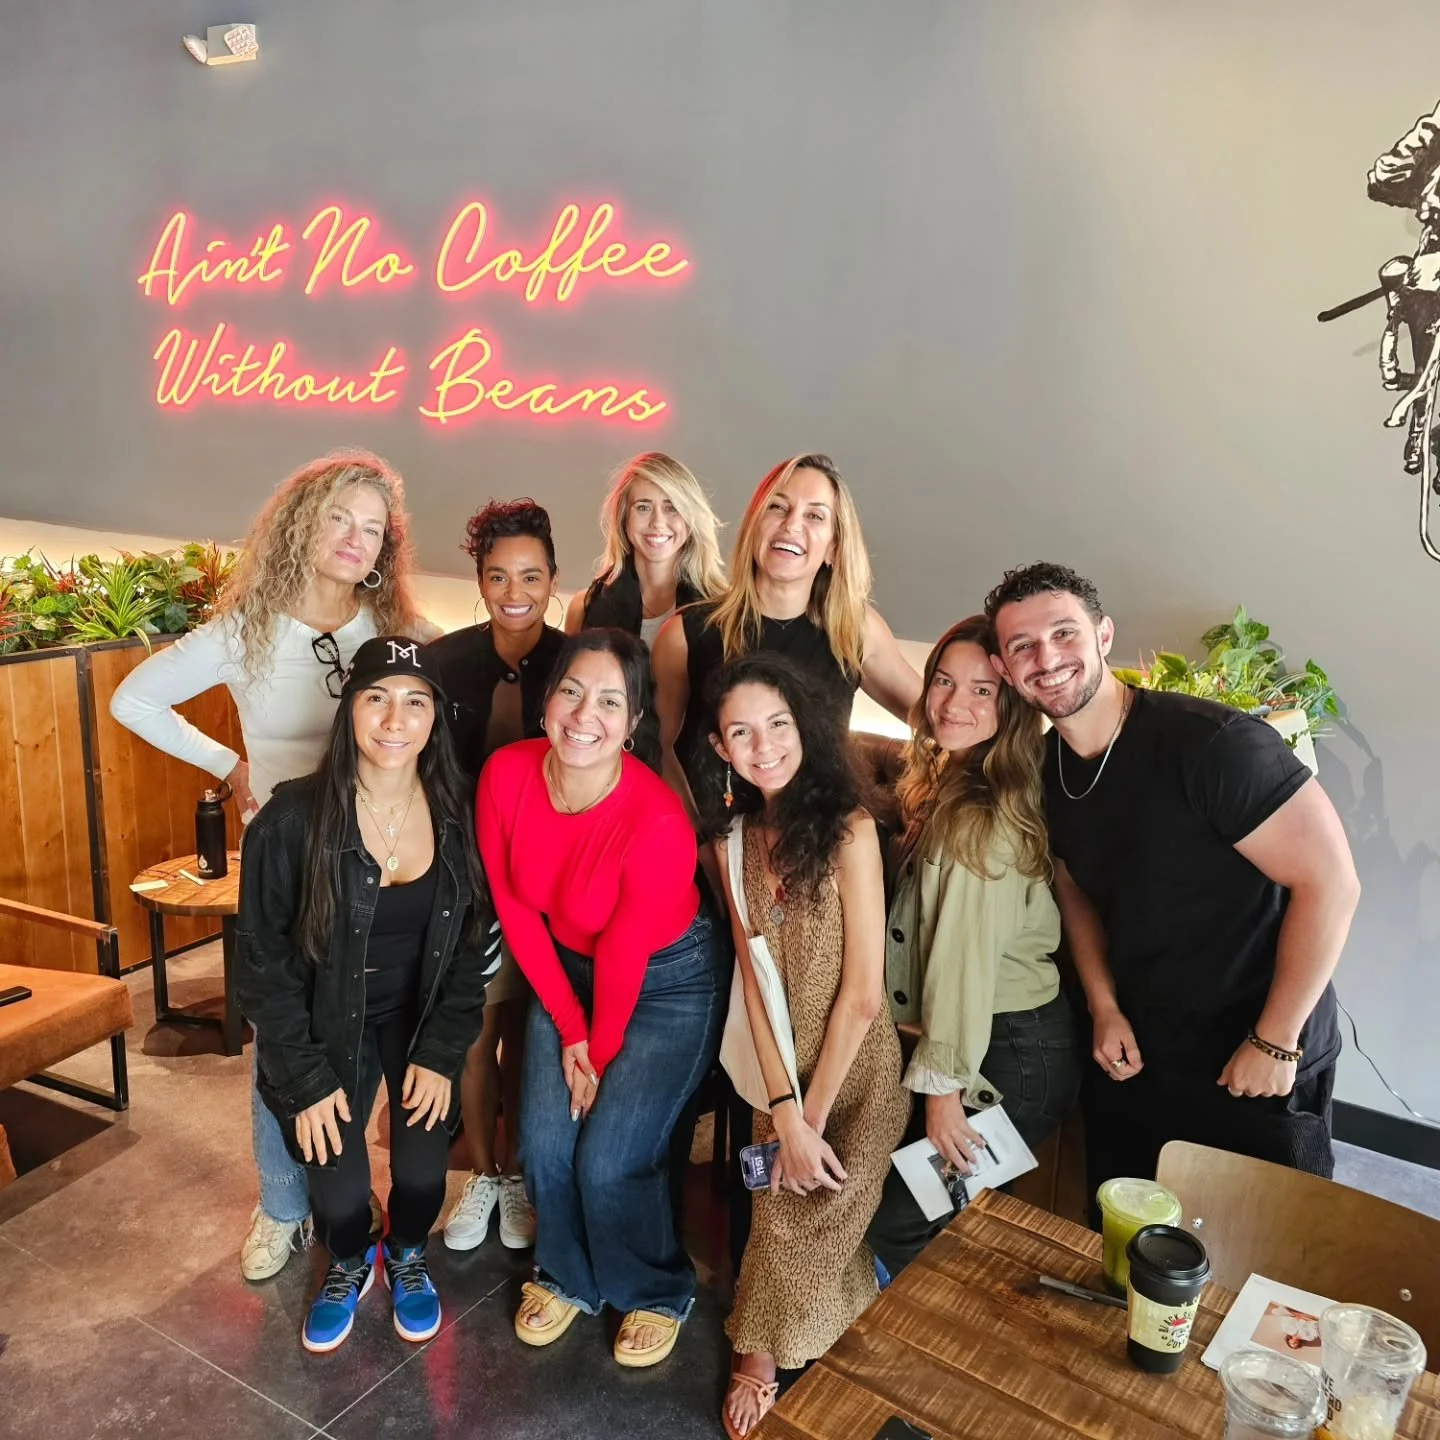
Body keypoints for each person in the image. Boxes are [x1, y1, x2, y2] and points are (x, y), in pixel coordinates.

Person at [109, 449, 432, 1281]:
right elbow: (132, 700)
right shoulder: (245, 628)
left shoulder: (385, 626)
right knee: (283, 1034)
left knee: (366, 1023)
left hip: (381, 855)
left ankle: (365, 1196)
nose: (356, 540)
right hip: (287, 862)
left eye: (372, 528)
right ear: (302, 521)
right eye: (340, 519)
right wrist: (228, 764)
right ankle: (282, 1205)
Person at [984, 563, 1361, 1207]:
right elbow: (1075, 890)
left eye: (1063, 633)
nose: (1046, 658)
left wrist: (1275, 1038)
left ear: (1103, 636)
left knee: (1254, 1255)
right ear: (1004, 667)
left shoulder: (1212, 746)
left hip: (1255, 1053)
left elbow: (1330, 883)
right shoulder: (1045, 772)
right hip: (1141, 1051)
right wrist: (1104, 1008)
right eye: (1023, 646)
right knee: (1125, 1240)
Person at [235, 637, 498, 1354]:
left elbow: (474, 949)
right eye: (376, 697)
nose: (394, 718)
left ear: (436, 718)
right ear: (349, 708)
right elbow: (261, 967)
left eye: (415, 702)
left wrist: (443, 1052)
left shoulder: (462, 816)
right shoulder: (291, 822)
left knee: (421, 1175)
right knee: (342, 1194)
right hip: (328, 1024)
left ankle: (406, 1251)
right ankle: (350, 1259)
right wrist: (307, 1081)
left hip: (415, 1020)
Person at [477, 629, 727, 1368]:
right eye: (572, 691)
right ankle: (566, 1275)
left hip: (666, 983)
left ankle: (654, 1289)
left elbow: (623, 954)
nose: (586, 714)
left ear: (635, 721)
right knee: (547, 1143)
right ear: (548, 700)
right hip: (565, 972)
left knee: (611, 1157)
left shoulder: (654, 822)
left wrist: (594, 1048)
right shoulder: (505, 774)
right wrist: (568, 1025)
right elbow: (517, 911)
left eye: (610, 702)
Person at [696, 654, 907, 1440]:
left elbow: (861, 997)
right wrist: (782, 1107)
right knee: (781, 1211)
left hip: (854, 1073)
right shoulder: (731, 840)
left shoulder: (851, 826)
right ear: (721, 749)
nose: (764, 745)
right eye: (742, 732)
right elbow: (752, 980)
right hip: (775, 1068)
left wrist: (808, 1119)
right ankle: (763, 1351)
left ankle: (774, 1342)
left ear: (805, 727)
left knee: (814, 1206)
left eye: (777, 725)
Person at [864, 616, 1082, 1279]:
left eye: (983, 691)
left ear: (1012, 705)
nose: (955, 703)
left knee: (903, 1224)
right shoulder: (949, 781)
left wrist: (943, 1093)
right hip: (983, 1042)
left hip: (1006, 1055)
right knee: (953, 1220)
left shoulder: (978, 820)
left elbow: (961, 964)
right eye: (943, 682)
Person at [428, 499, 565, 1255]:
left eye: (532, 575)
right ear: (479, 579)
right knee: (474, 1037)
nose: (516, 591)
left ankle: (517, 1175)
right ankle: (482, 1174)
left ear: (553, 578)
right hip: (465, 888)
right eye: (499, 575)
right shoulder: (444, 662)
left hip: (550, 888)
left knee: (528, 1034)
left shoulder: (576, 664)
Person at [652, 452, 921, 810]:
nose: (792, 525)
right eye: (778, 508)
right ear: (754, 527)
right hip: (710, 846)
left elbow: (939, 718)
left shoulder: (855, 631)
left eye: (814, 515)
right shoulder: (685, 633)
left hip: (819, 844)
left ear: (834, 548)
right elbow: (656, 747)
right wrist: (693, 838)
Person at [564, 451, 726, 648]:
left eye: (672, 507)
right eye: (643, 507)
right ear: (624, 519)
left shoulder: (724, 612)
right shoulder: (583, 609)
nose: (657, 522)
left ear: (690, 519)